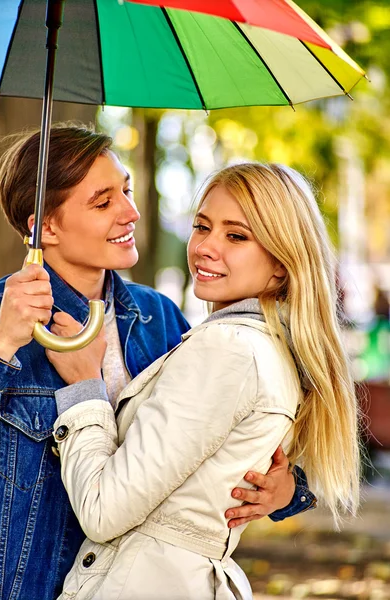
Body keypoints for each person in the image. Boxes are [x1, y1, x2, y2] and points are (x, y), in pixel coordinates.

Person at [0, 125, 312, 600]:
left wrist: (286, 490)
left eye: (127, 191)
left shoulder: (161, 319)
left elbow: (220, 439)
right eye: (104, 201)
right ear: (44, 227)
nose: (131, 212)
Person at [47, 162, 360, 599]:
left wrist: (84, 388)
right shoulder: (267, 346)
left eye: (236, 236)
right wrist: (292, 492)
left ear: (282, 264)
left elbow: (103, 511)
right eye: (202, 226)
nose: (205, 247)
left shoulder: (229, 349)